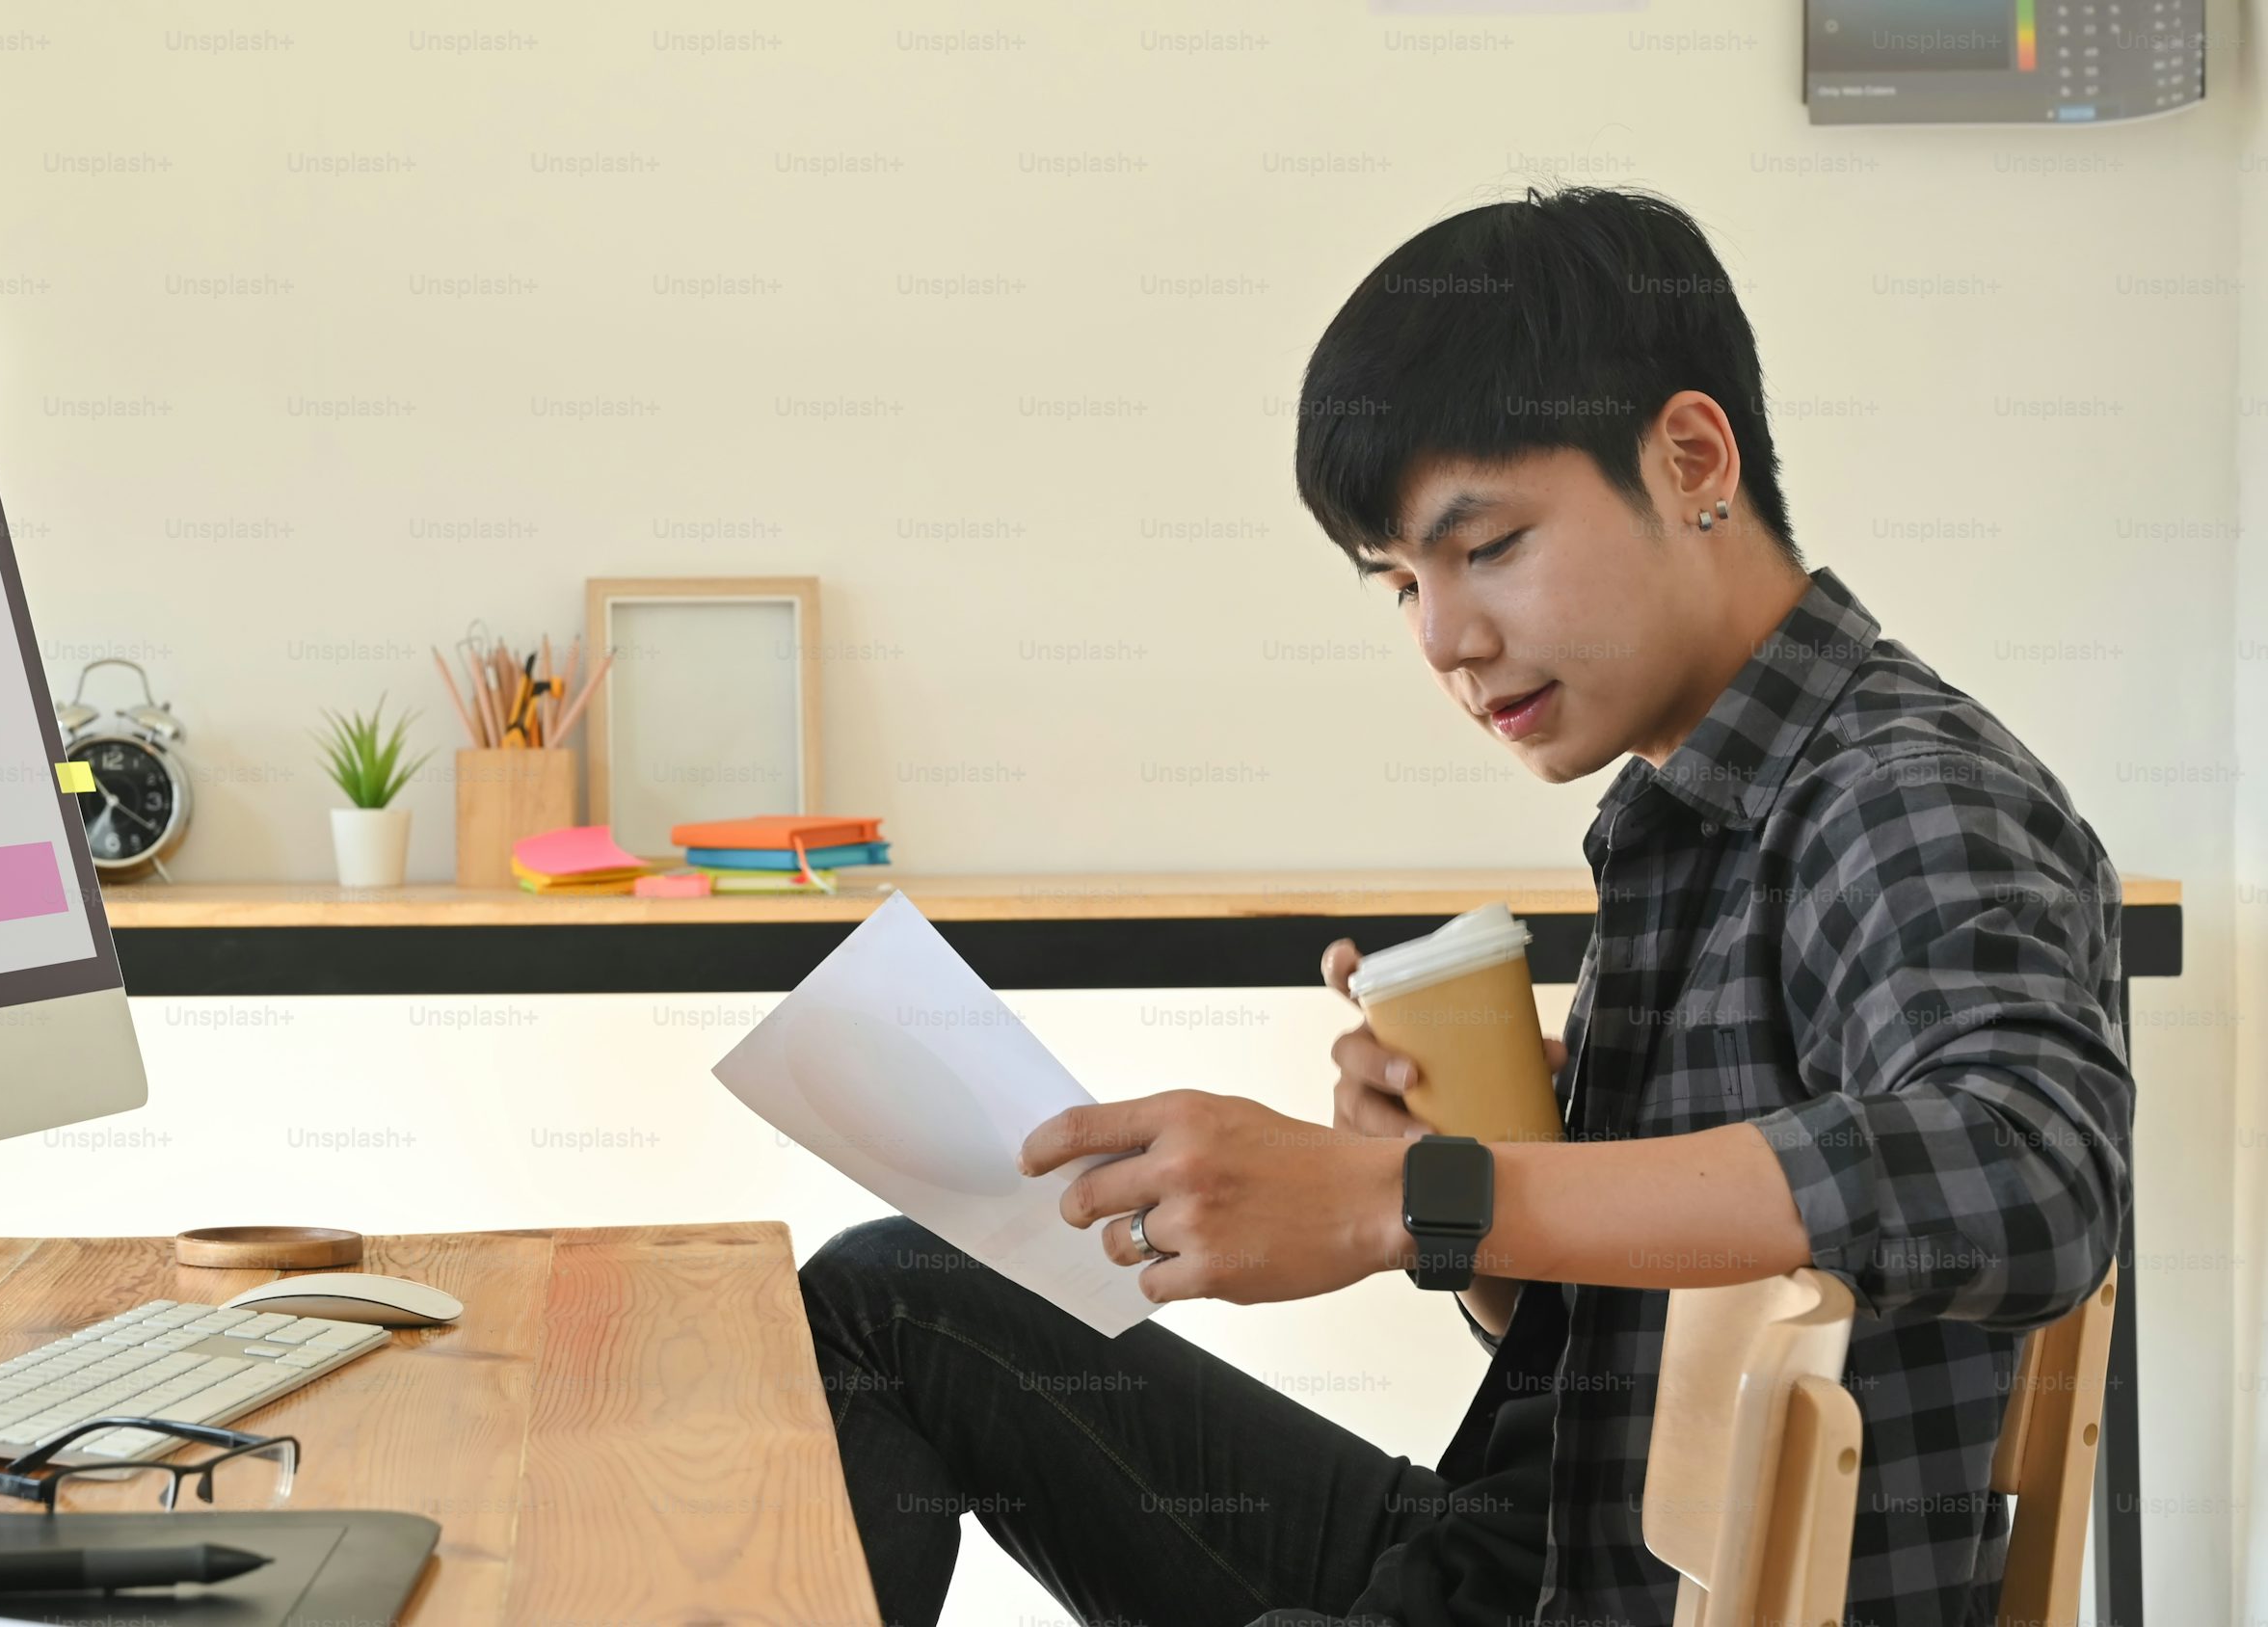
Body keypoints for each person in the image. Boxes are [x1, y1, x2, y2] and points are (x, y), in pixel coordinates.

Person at [798, 186, 2132, 1627]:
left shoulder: (1899, 791)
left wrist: (1407, 1198)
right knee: (888, 1300)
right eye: (1400, 584)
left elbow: (2025, 1171)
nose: (1446, 638)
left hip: (1612, 1599)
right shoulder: (1687, 808)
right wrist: (1477, 1202)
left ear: (1692, 456)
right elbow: (1619, 1361)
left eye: (1487, 547)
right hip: (1516, 1554)